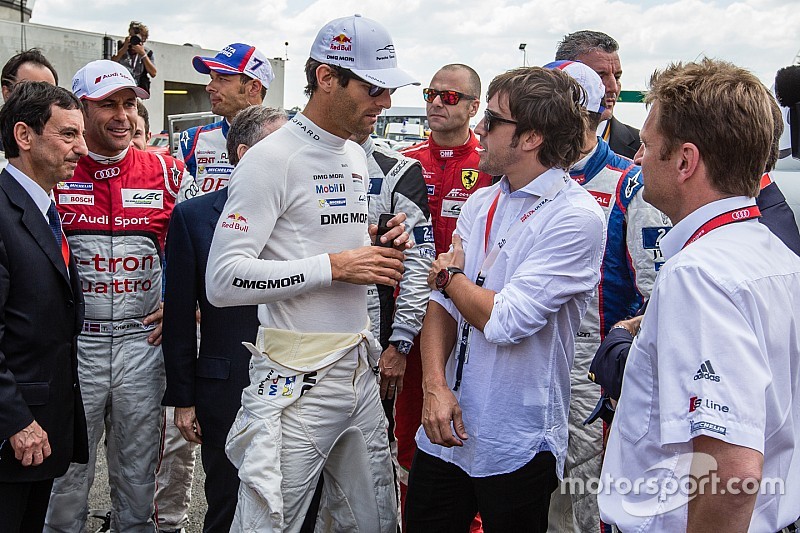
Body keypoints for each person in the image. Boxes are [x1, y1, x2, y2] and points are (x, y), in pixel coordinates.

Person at [205, 14, 418, 531]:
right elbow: (223, 280)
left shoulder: (352, 154)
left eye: (389, 89)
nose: (385, 102)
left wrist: (377, 244)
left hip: (358, 369)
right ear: (326, 78)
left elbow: (318, 241)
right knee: (264, 525)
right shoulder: (269, 158)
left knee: (373, 523)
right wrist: (337, 265)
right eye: (373, 88)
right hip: (294, 379)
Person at [598, 58, 800, 532]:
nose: (637, 159)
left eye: (647, 147)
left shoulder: (699, 274)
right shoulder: (774, 254)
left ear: (686, 161)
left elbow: (732, 476)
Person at [404, 66, 606, 532]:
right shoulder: (483, 200)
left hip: (516, 437)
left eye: (493, 121)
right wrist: (434, 385)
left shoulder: (575, 216)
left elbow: (506, 319)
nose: (480, 129)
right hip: (445, 425)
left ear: (532, 137)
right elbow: (444, 306)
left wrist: (450, 275)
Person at [45, 60, 185, 533]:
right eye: (109, 105)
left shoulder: (165, 171)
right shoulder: (57, 169)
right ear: (81, 109)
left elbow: (198, 246)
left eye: (129, 104)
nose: (122, 116)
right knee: (64, 475)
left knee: (138, 476)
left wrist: (184, 307)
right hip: (76, 346)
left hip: (139, 346)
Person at [538, 60, 669, 533]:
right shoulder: (518, 182)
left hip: (592, 368)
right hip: (529, 358)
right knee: (538, 497)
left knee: (587, 497)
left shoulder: (631, 181)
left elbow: (656, 292)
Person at [162, 105, 287, 533]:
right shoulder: (194, 217)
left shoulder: (305, 215)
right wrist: (183, 398)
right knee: (227, 508)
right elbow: (178, 317)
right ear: (244, 153)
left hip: (299, 388)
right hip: (225, 390)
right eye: (280, 145)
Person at [397, 64, 493, 511]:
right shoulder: (405, 162)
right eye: (431, 93)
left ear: (475, 107)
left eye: (449, 97)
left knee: (466, 422)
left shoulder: (491, 163)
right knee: (408, 423)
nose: (436, 102)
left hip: (471, 314)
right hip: (413, 315)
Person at [0, 81, 89, 533]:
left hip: (41, 429)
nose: (82, 148)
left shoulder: (45, 210)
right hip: (12, 434)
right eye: (69, 134)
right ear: (24, 135)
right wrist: (15, 420)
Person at [177, 43, 273, 201]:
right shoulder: (192, 142)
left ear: (254, 88)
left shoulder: (286, 142)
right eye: (212, 78)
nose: (209, 87)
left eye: (222, 79)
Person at [556, 30, 640, 159]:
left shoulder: (641, 148)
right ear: (564, 77)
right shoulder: (531, 144)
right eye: (598, 77)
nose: (613, 87)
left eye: (617, 77)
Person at [1, 49, 59, 167]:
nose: (41, 98)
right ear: (7, 92)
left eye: (50, 92)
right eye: (30, 89)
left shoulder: (60, 139)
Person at [112, 21, 156, 93]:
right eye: (132, 36)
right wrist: (124, 48)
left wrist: (143, 54)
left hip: (137, 89)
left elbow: (153, 73)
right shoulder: (119, 47)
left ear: (143, 39)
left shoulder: (148, 52)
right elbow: (110, 63)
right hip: (120, 87)